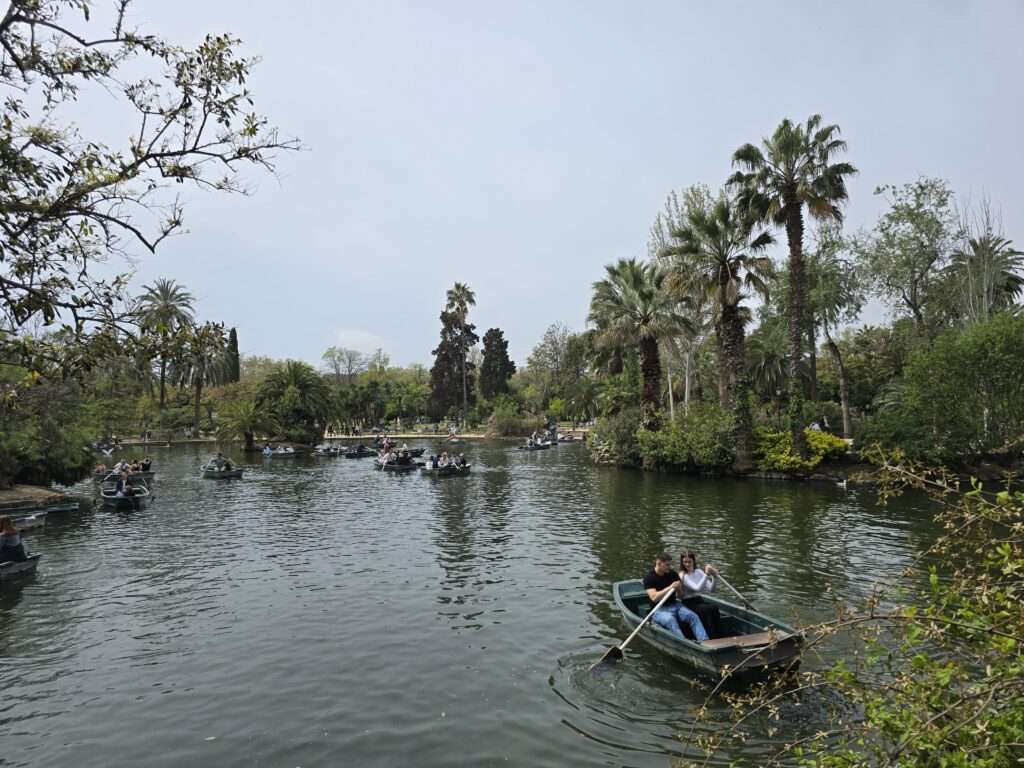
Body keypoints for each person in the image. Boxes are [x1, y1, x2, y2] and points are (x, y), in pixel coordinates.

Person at [642, 552, 709, 642]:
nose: (669, 567)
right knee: (670, 620)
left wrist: (679, 590)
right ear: (659, 563)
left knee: (693, 616)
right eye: (667, 565)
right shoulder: (649, 578)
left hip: (675, 604)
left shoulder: (672, 574)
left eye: (670, 565)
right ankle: (684, 644)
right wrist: (670, 587)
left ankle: (705, 641)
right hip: (658, 609)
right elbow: (654, 597)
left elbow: (680, 596)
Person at [679, 550, 722, 639]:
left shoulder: (698, 572)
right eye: (684, 562)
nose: (687, 564)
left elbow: (712, 589)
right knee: (705, 609)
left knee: (714, 607)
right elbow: (697, 588)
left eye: (689, 561)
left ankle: (718, 635)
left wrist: (714, 577)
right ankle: (709, 637)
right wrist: (706, 574)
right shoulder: (683, 575)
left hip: (698, 600)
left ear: (693, 561)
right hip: (688, 603)